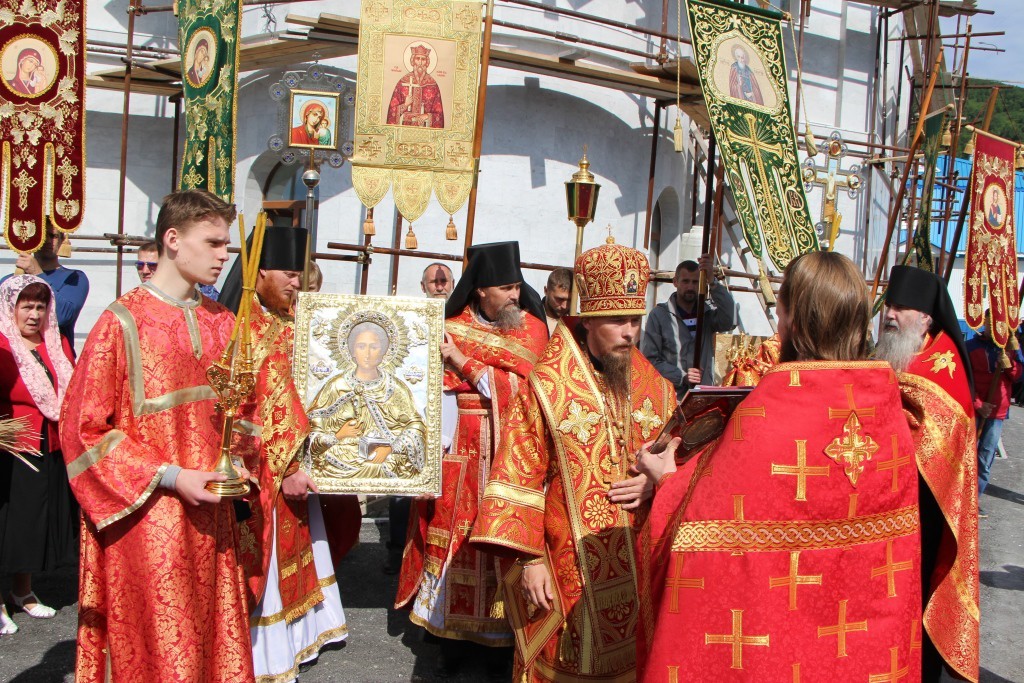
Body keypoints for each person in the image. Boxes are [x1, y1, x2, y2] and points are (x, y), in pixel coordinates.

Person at [637, 251, 921, 681]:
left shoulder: (770, 412)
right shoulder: (887, 410)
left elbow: (704, 531)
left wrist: (667, 479)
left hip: (778, 649)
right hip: (864, 649)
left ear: (793, 319)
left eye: (782, 310)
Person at [60, 189, 255, 681]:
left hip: (213, 517)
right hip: (147, 518)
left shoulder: (223, 322)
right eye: (212, 242)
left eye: (226, 244)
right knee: (162, 646)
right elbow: (83, 430)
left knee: (211, 640)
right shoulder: (120, 322)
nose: (223, 255)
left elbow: (243, 411)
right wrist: (171, 476)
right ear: (172, 239)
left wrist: (241, 458)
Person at [470, 238, 675, 681]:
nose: (630, 333)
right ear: (587, 320)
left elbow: (678, 456)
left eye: (635, 320)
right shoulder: (547, 386)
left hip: (637, 558)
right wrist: (529, 562)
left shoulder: (656, 387)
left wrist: (656, 482)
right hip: (567, 564)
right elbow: (518, 473)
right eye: (617, 320)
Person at [396, 241, 548, 676]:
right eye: (505, 288)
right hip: (458, 453)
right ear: (481, 290)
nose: (515, 296)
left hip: (510, 455)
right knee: (452, 540)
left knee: (503, 540)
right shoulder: (450, 328)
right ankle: (451, 638)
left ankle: (503, 641)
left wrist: (464, 363)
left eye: (517, 286)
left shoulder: (532, 330)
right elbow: (422, 388)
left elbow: (528, 391)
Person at [223, 226, 348, 682]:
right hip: (267, 469)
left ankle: (303, 635)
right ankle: (268, 652)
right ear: (259, 273)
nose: (297, 283)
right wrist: (289, 465)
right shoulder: (243, 328)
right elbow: (252, 409)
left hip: (301, 461)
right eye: (289, 274)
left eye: (299, 275)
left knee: (305, 546)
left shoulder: (291, 321)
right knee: (270, 558)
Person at [875, 265, 979, 682]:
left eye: (901, 308)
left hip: (927, 510)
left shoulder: (943, 366)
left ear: (925, 318)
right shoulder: (888, 353)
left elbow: (942, 439)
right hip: (886, 507)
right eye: (889, 305)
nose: (890, 314)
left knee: (916, 605)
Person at [0, 276, 76, 635]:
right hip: (12, 447)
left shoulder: (56, 342)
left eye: (40, 306)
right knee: (7, 525)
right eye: (26, 306)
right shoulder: (2, 343)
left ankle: (23, 591)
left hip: (49, 445)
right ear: (10, 308)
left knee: (32, 524)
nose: (34, 314)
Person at [307, 320, 427, 480]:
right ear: (352, 350)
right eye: (361, 346)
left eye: (374, 347)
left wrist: (391, 447)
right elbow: (312, 428)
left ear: (384, 351)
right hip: (341, 456)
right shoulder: (336, 386)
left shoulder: (394, 388)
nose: (368, 353)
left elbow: (416, 425)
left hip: (384, 455)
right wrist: (338, 435)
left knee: (382, 465)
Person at [642, 255, 735, 398]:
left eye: (695, 282)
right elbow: (650, 361)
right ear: (675, 282)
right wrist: (681, 376)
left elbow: (729, 318)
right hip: (672, 397)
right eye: (685, 281)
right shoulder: (659, 316)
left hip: (701, 395)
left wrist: (712, 281)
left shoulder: (706, 314)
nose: (690, 287)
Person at [967, 313, 1022, 498]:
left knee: (985, 456)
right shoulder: (970, 347)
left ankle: (975, 499)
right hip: (973, 409)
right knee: (966, 455)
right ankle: (961, 499)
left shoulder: (1011, 348)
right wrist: (977, 403)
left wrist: (1008, 364)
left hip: (997, 411)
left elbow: (1019, 377)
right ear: (985, 322)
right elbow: (964, 380)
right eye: (991, 323)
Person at [13, 226, 89, 343]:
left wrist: (38, 274)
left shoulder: (75, 278)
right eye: (43, 235)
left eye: (53, 236)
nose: (48, 241)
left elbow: (63, 316)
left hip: (56, 351)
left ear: (62, 240)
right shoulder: (11, 280)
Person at [387, 44, 445, 128]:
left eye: (423, 59)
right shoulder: (403, 82)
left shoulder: (433, 84)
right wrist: (405, 105)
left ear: (427, 62)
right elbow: (392, 111)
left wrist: (427, 116)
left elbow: (439, 114)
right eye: (417, 59)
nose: (420, 63)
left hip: (424, 129)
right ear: (413, 61)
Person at [541, 267, 571, 334]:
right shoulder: (529, 320)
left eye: (569, 300)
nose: (564, 306)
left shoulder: (580, 323)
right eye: (560, 299)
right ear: (546, 291)